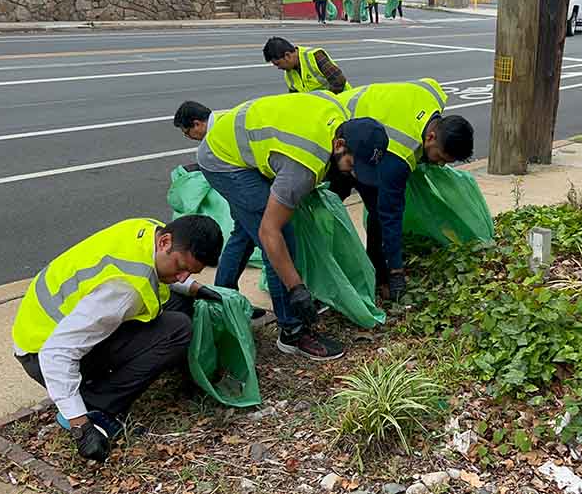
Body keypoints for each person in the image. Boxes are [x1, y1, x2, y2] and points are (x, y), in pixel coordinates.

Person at [173, 94, 388, 361]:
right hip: (223, 161)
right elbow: (269, 232)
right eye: (354, 166)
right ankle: (291, 331)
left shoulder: (338, 117)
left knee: (245, 231)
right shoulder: (303, 167)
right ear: (340, 143)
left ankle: (223, 299)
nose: (355, 175)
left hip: (238, 144)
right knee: (278, 237)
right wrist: (296, 288)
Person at [12, 215, 224, 462]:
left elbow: (159, 271)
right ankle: (97, 406)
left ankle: (95, 394)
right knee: (177, 330)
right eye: (181, 268)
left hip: (46, 325)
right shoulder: (122, 291)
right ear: (165, 242)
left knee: (178, 300)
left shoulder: (148, 230)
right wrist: (81, 427)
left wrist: (195, 289)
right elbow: (57, 353)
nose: (182, 276)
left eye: (190, 272)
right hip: (41, 353)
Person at [331, 78, 474, 301]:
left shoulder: (432, 94)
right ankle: (346, 273)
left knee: (375, 207)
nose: (440, 164)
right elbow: (391, 214)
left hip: (359, 127)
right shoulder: (400, 154)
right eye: (439, 157)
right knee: (345, 207)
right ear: (431, 136)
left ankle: (376, 270)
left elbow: (424, 85)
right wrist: (396, 272)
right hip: (340, 134)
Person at [263, 37, 351, 95]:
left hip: (341, 102)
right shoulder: (289, 74)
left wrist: (322, 102)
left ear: (287, 55)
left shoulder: (315, 56)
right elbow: (295, 98)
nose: (278, 68)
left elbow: (339, 82)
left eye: (278, 64)